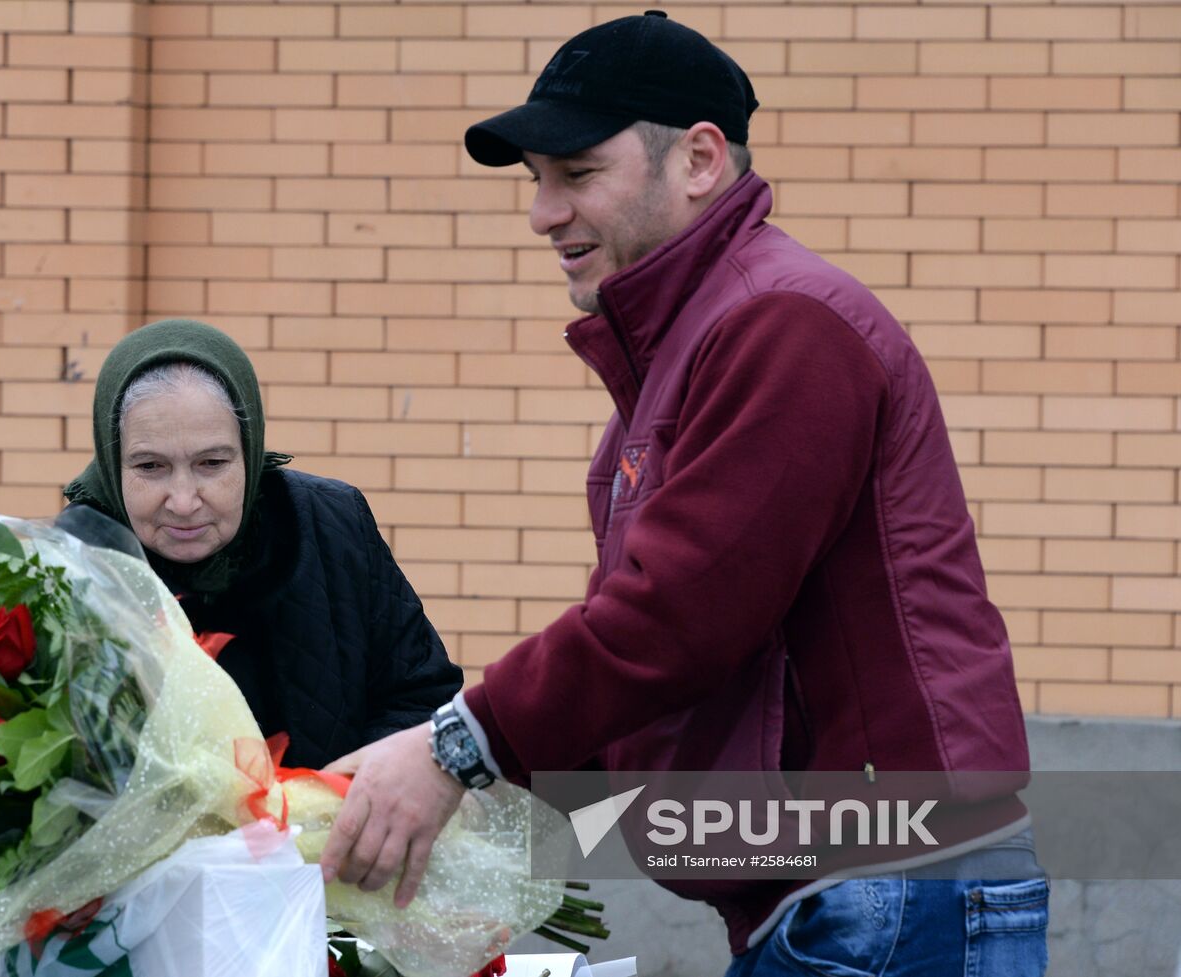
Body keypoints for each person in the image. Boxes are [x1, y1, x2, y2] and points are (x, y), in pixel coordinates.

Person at [318, 12, 1047, 975]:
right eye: (536, 181)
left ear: (700, 159)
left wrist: (462, 748)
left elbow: (679, 617)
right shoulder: (689, 352)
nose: (542, 213)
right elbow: (667, 662)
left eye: (576, 175)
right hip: (849, 895)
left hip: (893, 889)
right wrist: (468, 785)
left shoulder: (782, 326)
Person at [0, 317, 461, 879]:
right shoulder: (58, 574)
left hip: (334, 877)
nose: (184, 499)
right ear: (112, 464)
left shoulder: (329, 525)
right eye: (151, 468)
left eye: (213, 463)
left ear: (250, 454)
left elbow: (420, 694)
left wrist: (329, 805)